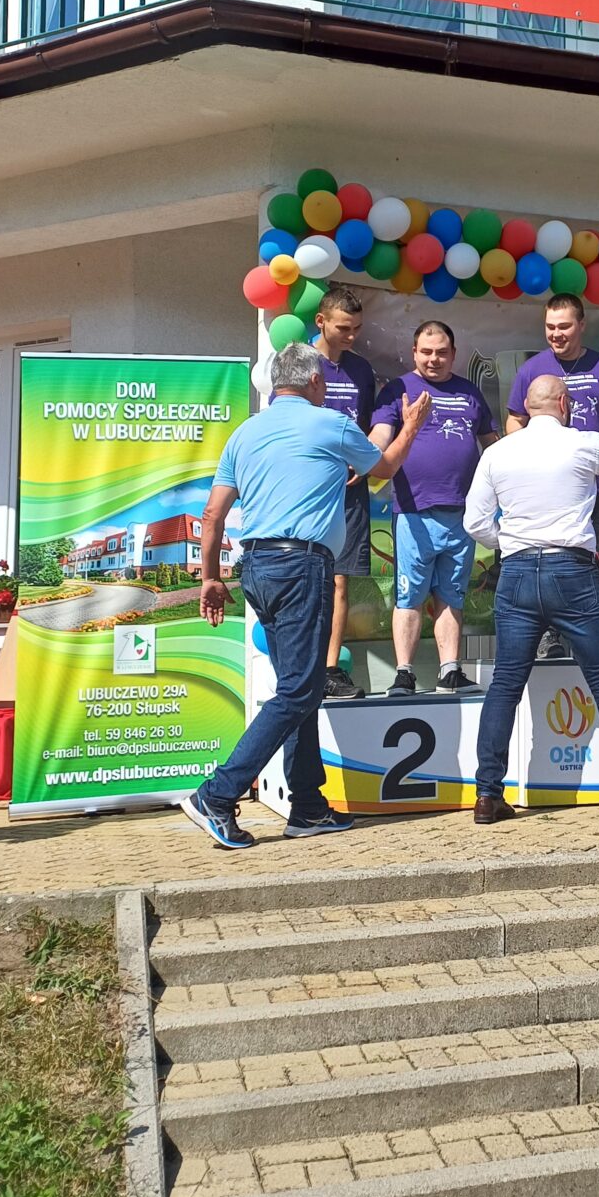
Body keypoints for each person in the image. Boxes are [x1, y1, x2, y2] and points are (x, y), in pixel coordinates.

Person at [185, 343, 430, 849]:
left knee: (300, 689)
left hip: (255, 566)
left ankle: (308, 807)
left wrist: (209, 578)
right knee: (299, 690)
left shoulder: (244, 432)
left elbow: (211, 516)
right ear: (316, 381)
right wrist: (410, 427)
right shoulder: (331, 423)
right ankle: (217, 794)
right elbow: (384, 468)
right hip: (301, 565)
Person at [464, 374, 599, 824]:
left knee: (505, 685)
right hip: (572, 570)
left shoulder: (499, 452)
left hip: (518, 571)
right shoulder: (585, 442)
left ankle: (487, 795)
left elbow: (475, 522)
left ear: (527, 406)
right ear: (564, 404)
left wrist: (510, 544)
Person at [370, 321, 497, 696]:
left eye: (441, 352)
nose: (433, 359)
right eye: (426, 352)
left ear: (453, 354)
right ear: (414, 353)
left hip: (462, 513)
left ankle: (450, 671)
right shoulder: (397, 390)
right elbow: (380, 437)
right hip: (414, 513)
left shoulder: (469, 392)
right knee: (409, 596)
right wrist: (364, 455)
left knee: (452, 595)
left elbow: (492, 444)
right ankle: (404, 674)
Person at [506, 294, 599, 658]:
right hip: (550, 488)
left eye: (563, 327)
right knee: (552, 560)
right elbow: (514, 420)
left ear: (582, 325)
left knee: (592, 564)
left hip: (598, 488)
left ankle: (585, 642)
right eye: (550, 327)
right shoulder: (532, 369)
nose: (556, 334)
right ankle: (550, 637)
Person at [296, 286, 378, 701]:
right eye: (344, 328)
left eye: (357, 328)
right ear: (321, 321)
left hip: (348, 491)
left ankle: (329, 670)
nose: (351, 336)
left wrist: (360, 461)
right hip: (307, 490)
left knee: (339, 580)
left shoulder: (361, 370)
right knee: (305, 577)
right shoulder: (298, 363)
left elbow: (367, 428)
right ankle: (302, 667)